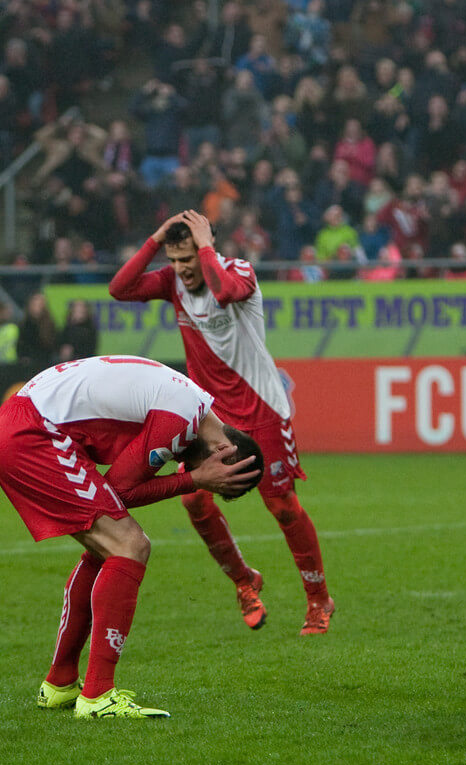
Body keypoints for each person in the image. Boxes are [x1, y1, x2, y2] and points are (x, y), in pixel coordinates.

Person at [0, 356, 262, 719]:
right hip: (34, 434)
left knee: (108, 548)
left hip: (22, 422)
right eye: (207, 472)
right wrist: (192, 481)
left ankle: (60, 683)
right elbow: (122, 489)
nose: (189, 470)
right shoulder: (182, 419)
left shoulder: (187, 406)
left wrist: (192, 478)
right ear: (224, 451)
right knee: (131, 545)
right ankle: (98, 695)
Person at [109, 210, 335, 634]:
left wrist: (206, 246)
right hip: (210, 414)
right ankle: (245, 582)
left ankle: (319, 600)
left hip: (261, 409)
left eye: (187, 259)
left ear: (206, 248)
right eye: (173, 262)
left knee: (282, 506)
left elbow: (227, 291)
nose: (180, 270)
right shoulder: (174, 281)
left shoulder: (238, 271)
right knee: (194, 499)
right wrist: (156, 239)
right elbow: (120, 288)